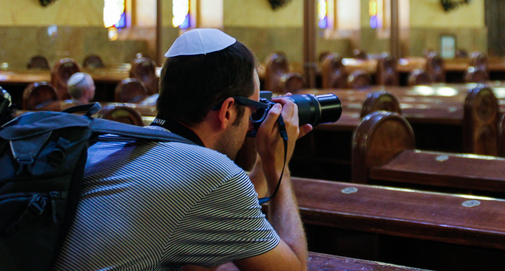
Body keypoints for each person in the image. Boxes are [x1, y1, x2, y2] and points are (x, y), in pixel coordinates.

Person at [52, 28, 312, 271]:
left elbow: (219, 212)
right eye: (253, 110)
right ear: (228, 111)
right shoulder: (213, 175)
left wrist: (264, 161)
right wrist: (279, 167)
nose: (250, 125)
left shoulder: (111, 141)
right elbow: (294, 268)